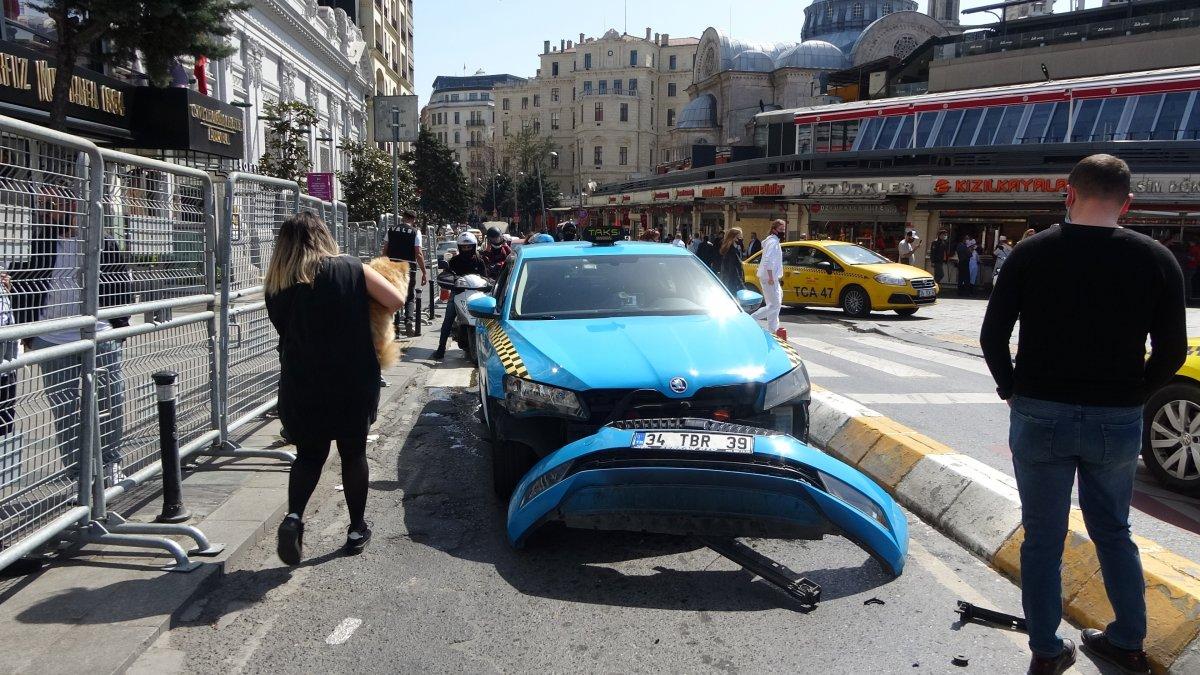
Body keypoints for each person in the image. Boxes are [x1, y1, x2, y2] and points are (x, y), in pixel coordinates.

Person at [981, 154, 1186, 675]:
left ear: (1068, 195)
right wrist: (1137, 393)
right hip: (1116, 417)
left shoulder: (1031, 252)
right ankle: (1128, 639)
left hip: (1040, 411)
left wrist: (1012, 388)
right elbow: (1173, 351)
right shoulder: (1158, 259)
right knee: (1114, 530)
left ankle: (1047, 650)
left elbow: (993, 335)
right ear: (1128, 203)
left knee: (1042, 536)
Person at [266, 212, 406, 564]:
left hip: (301, 381)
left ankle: (294, 517)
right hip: (351, 377)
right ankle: (357, 529)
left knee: (309, 456)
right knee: (353, 454)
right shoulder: (350, 267)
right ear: (323, 235)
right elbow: (395, 300)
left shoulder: (277, 283)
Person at [11, 191, 132, 486]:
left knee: (110, 400)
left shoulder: (101, 243)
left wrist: (119, 327)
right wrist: (30, 332)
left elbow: (121, 283)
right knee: (65, 409)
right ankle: (77, 472)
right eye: (50, 206)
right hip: (51, 339)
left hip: (99, 335)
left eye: (61, 204)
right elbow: (26, 283)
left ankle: (110, 462)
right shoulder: (40, 243)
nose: (54, 211)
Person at [432, 232, 487, 360]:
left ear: (474, 246)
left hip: (477, 294)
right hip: (458, 293)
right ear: (459, 247)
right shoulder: (454, 261)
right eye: (463, 247)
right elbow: (447, 274)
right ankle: (441, 349)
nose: (466, 249)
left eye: (469, 247)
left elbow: (486, 277)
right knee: (448, 320)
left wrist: (489, 282)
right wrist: (451, 279)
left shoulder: (479, 260)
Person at [382, 209, 427, 338]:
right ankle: (408, 321)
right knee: (409, 297)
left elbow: (385, 250)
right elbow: (418, 252)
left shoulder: (391, 230)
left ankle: (395, 328)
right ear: (414, 220)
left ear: (403, 218)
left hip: (392, 268)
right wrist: (424, 271)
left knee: (393, 296)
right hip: (408, 268)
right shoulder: (415, 232)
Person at [751, 219, 786, 336]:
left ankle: (773, 329)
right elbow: (768, 261)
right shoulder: (773, 243)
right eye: (781, 229)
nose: (783, 231)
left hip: (771, 278)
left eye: (784, 229)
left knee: (776, 301)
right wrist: (771, 277)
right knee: (774, 305)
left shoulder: (773, 241)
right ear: (774, 229)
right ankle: (752, 319)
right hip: (769, 278)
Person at [716, 227, 746, 294]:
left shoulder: (728, 249)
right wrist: (741, 286)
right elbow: (733, 269)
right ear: (734, 238)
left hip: (727, 282)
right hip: (732, 284)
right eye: (740, 237)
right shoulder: (732, 251)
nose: (742, 239)